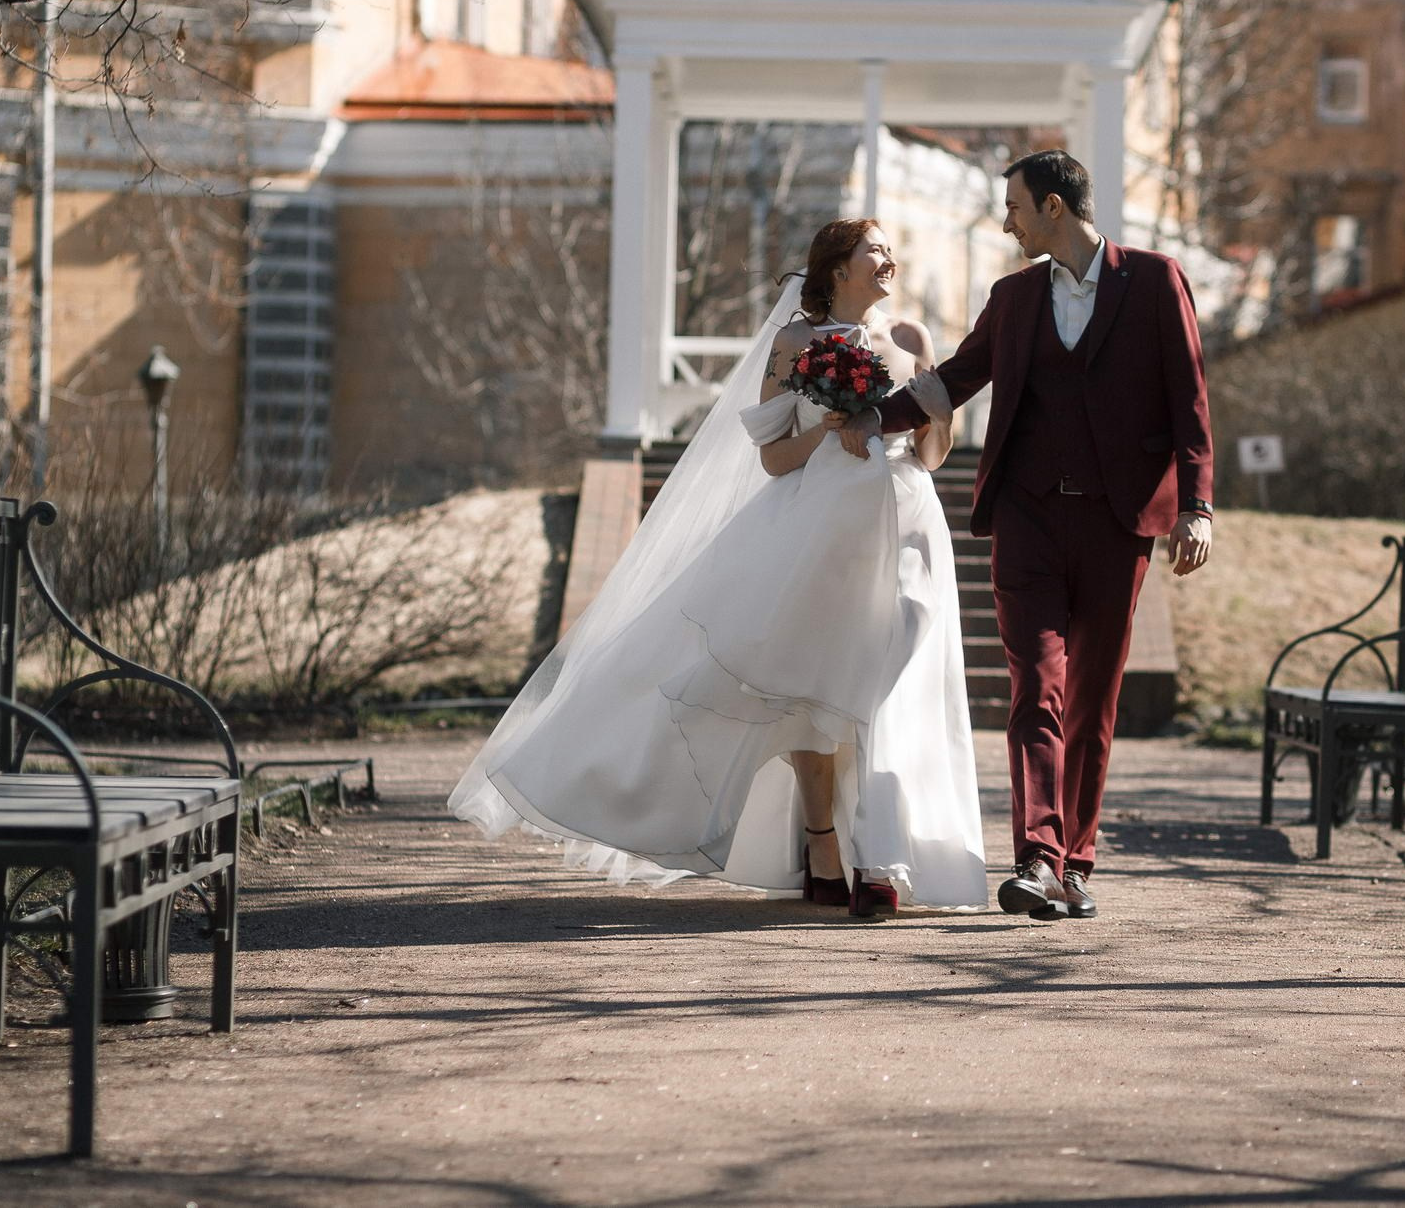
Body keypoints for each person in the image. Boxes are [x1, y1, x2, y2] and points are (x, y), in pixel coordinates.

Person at [451, 219, 988, 917]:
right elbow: (771, 458)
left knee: (891, 678)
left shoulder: (912, 342)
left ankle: (884, 858)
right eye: (875, 249)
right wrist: (829, 433)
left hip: (907, 521)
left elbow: (932, 454)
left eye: (890, 248)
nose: (890, 258)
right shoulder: (794, 344)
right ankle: (824, 847)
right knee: (805, 686)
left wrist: (937, 415)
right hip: (817, 528)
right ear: (836, 267)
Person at [846, 150, 1213, 923]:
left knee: (1092, 699)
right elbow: (954, 378)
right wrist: (873, 417)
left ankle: (1075, 863)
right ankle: (1038, 858)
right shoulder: (1012, 297)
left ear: (1052, 205)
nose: (1005, 220)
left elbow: (1189, 395)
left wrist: (1197, 505)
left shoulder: (1153, 280)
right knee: (1035, 686)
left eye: (1012, 205)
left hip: (1120, 525)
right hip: (1027, 517)